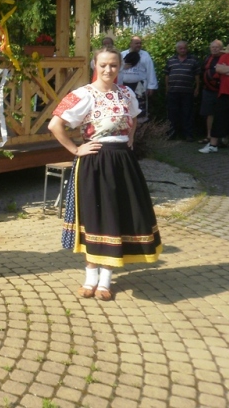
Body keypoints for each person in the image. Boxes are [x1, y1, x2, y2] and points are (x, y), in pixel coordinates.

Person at [48, 47, 162, 302]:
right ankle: (90, 278)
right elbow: (54, 125)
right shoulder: (82, 95)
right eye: (103, 65)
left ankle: (106, 281)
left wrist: (128, 142)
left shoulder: (126, 93)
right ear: (95, 66)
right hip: (95, 162)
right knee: (95, 216)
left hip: (122, 162)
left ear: (120, 67)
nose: (108, 70)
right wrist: (76, 149)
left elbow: (133, 121)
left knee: (116, 216)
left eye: (113, 65)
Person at [164, 41, 200, 141]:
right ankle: (171, 133)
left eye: (184, 48)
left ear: (187, 49)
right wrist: (167, 88)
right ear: (177, 49)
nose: (183, 50)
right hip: (173, 91)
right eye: (180, 48)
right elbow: (167, 75)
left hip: (188, 91)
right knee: (172, 113)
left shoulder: (193, 60)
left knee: (187, 113)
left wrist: (197, 87)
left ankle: (188, 134)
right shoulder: (171, 60)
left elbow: (197, 75)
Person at [120, 36, 158, 122]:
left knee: (139, 108)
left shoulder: (145, 55)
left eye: (140, 43)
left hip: (139, 86)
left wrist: (151, 86)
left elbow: (150, 70)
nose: (139, 45)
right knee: (125, 107)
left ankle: (140, 128)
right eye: (136, 43)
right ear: (131, 44)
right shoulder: (122, 54)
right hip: (124, 86)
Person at [199, 39, 224, 143]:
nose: (214, 49)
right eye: (212, 47)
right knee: (209, 114)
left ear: (221, 48)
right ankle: (209, 136)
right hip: (208, 91)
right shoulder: (207, 58)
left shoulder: (225, 58)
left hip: (221, 91)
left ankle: (222, 138)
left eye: (217, 47)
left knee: (222, 114)